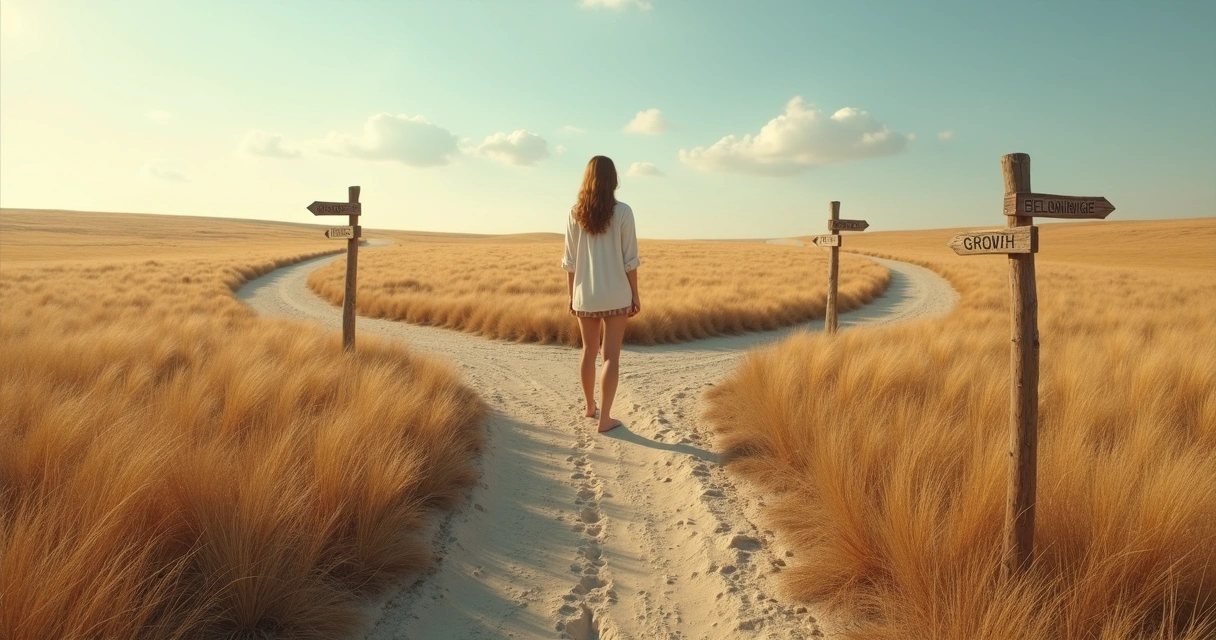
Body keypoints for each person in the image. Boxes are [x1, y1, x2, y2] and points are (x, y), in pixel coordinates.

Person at [561, 156, 641, 433]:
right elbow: (630, 259)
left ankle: (589, 407)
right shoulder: (624, 212)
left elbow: (569, 261)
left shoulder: (574, 213)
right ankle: (606, 418)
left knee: (588, 350)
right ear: (613, 179)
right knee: (611, 357)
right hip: (617, 294)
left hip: (585, 295)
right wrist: (635, 294)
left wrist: (572, 296)